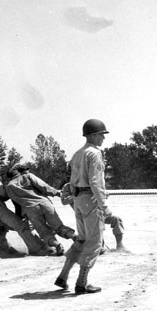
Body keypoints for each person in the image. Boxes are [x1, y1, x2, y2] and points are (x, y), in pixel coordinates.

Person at [54, 118, 110, 294]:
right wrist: (104, 206)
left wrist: (74, 199)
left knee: (82, 240)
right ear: (94, 135)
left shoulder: (78, 153)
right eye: (102, 135)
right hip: (91, 199)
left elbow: (71, 181)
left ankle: (63, 276)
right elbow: (96, 182)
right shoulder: (95, 153)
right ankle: (82, 282)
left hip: (78, 199)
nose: (103, 138)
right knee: (94, 242)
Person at [5, 165, 76, 256]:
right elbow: (43, 186)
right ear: (18, 172)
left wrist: (20, 216)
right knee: (58, 225)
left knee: (43, 231)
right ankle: (74, 237)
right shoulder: (27, 176)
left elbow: (16, 204)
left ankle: (57, 245)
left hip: (30, 209)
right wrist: (57, 193)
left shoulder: (9, 187)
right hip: (45, 203)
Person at [0, 165, 46, 255]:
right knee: (20, 225)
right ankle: (36, 248)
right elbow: (2, 191)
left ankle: (3, 248)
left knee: (1, 229)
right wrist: (13, 191)